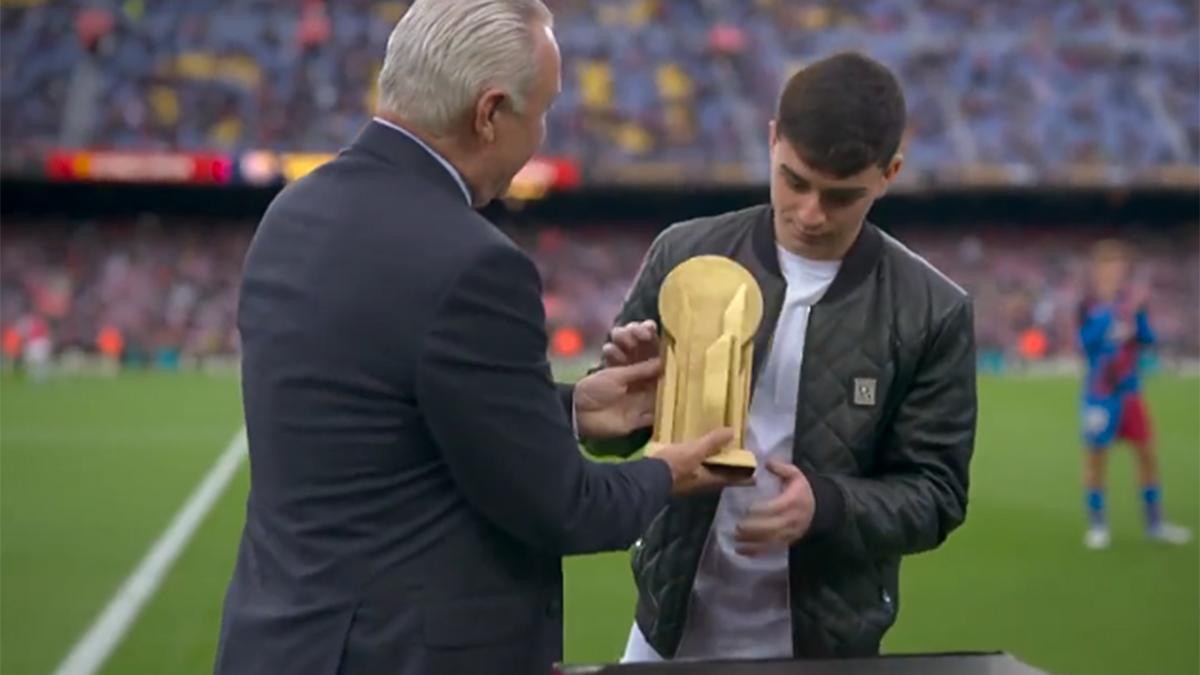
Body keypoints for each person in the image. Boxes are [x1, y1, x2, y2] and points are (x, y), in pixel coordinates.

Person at [214, 2, 736, 673]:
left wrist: (571, 408)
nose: (542, 135)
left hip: (281, 641)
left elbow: (388, 414)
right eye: (541, 111)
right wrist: (669, 472)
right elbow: (562, 506)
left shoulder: (294, 210)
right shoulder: (474, 262)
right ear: (488, 113)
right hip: (401, 652)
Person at [587, 52, 978, 661]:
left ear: (890, 172)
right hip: (667, 630)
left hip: (828, 645)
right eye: (795, 180)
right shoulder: (684, 254)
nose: (810, 213)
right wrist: (630, 399)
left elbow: (936, 495)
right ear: (772, 141)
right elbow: (607, 438)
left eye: (840, 195)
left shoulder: (933, 310)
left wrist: (829, 505)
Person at [1078, 239, 1191, 550]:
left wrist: (1136, 317)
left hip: (1130, 392)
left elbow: (1147, 337)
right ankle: (1098, 526)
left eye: (1118, 266)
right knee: (1096, 459)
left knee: (1147, 454)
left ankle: (1155, 523)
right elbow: (1084, 343)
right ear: (1098, 270)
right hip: (1100, 393)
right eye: (1108, 265)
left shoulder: (1132, 302)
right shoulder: (1089, 305)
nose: (1113, 271)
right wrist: (1113, 319)